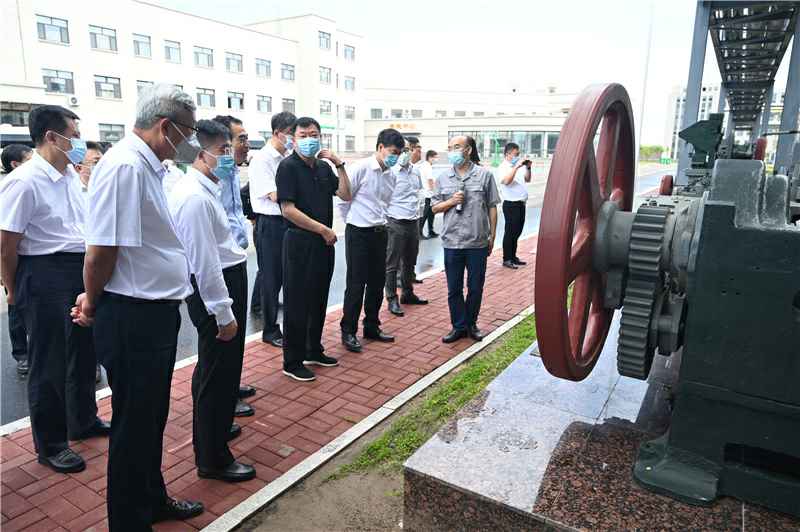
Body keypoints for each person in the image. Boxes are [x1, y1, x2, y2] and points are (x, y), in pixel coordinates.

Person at [72, 84, 204, 527]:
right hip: (134, 317)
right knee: (134, 427)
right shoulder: (126, 166)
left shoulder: (148, 166)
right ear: (166, 127)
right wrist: (92, 302)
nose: (191, 142)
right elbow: (101, 251)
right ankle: (130, 521)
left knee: (150, 421)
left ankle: (152, 499)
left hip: (151, 313)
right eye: (188, 132)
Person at [0, 106, 110, 476]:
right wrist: (14, 290)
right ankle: (51, 444)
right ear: (51, 137)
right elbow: (6, 245)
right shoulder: (24, 181)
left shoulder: (69, 177)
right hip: (44, 272)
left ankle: (83, 420)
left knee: (83, 350)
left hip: (77, 268)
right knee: (49, 361)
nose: (79, 143)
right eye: (73, 135)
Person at [168, 120, 255, 482]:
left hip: (226, 278)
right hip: (216, 286)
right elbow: (203, 262)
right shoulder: (194, 197)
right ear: (200, 153)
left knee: (217, 371)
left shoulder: (207, 188)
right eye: (222, 150)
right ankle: (212, 457)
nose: (229, 156)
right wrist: (223, 312)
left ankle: (214, 432)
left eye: (229, 148)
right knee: (217, 374)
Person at [276, 117, 351, 381]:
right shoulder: (288, 167)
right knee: (297, 302)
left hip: (323, 243)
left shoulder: (322, 167)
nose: (310, 139)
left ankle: (313, 350)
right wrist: (322, 229)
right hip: (299, 242)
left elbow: (345, 194)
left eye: (314, 135)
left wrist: (339, 164)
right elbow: (288, 209)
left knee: (318, 298)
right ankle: (292, 361)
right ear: (293, 139)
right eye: (304, 135)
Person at [339, 129, 403, 353]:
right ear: (380, 147)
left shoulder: (391, 175)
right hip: (358, 233)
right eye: (393, 152)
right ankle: (348, 331)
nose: (395, 157)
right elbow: (343, 199)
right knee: (356, 284)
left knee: (377, 282)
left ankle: (372, 326)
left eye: (399, 153)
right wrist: (353, 222)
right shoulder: (361, 168)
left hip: (380, 232)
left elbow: (385, 204)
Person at [432, 135, 499, 344]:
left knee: (475, 287)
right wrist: (451, 201)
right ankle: (458, 326)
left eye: (456, 147)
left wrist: (492, 235)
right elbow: (434, 208)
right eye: (449, 147)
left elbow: (492, 206)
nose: (452, 151)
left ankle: (471, 324)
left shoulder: (485, 175)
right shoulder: (443, 178)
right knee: (454, 288)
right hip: (452, 242)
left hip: (477, 242)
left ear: (468, 150)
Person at [211, 115, 256, 417]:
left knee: (236, 333)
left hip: (236, 256)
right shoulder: (212, 176)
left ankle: (231, 384)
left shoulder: (231, 173)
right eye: (241, 139)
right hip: (220, 263)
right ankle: (222, 398)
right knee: (222, 336)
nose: (246, 144)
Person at [248, 111, 296, 350]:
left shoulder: (287, 157)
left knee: (286, 274)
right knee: (271, 277)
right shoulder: (262, 159)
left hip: (288, 222)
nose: (294, 139)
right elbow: (275, 195)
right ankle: (269, 329)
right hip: (270, 224)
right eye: (291, 134)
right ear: (277, 133)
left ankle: (275, 315)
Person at [75, 141, 107, 384]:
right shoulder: (73, 193)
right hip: (79, 264)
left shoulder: (105, 191)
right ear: (79, 167)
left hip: (100, 267)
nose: (101, 166)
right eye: (96, 162)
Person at [385, 138, 428, 317]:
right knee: (392, 263)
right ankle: (391, 298)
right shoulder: (390, 171)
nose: (405, 153)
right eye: (401, 150)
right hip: (395, 221)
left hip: (413, 220)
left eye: (408, 149)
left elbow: (418, 193)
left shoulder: (415, 171)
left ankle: (407, 293)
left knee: (410, 260)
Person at [1, 144, 33, 376]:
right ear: (15, 164)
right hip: (14, 259)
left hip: (32, 260)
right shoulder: (13, 186)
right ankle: (22, 354)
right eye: (29, 159)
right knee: (16, 307)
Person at [497, 142, 531, 269]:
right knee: (510, 232)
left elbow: (527, 179)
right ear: (508, 154)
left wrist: (528, 168)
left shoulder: (519, 167)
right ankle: (507, 259)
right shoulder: (503, 167)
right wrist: (516, 167)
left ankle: (513, 256)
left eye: (518, 154)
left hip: (521, 203)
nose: (518, 156)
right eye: (516, 154)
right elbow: (506, 181)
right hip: (511, 204)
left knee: (517, 231)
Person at [418, 149, 438, 239]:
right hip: (427, 194)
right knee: (425, 214)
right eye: (435, 157)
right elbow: (430, 180)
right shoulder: (427, 166)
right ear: (430, 157)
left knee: (431, 213)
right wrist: (434, 192)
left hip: (426, 193)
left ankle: (431, 231)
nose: (436, 159)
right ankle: (419, 233)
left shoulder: (424, 165)